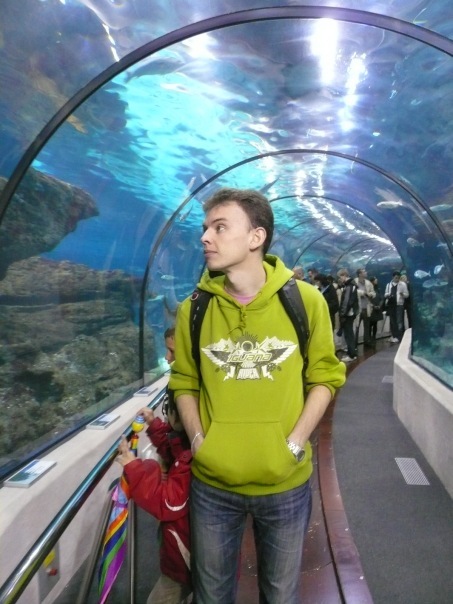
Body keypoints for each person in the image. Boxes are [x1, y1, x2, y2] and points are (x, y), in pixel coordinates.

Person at [170, 187, 346, 603]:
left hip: (284, 483)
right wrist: (199, 441)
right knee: (211, 595)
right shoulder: (194, 309)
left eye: (219, 227)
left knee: (280, 595)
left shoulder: (305, 301)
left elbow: (325, 377)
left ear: (256, 236)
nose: (205, 237)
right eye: (205, 228)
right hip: (213, 485)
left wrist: (294, 443)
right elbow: (184, 381)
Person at [116, 329, 192, 604]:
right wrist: (155, 425)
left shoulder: (195, 454)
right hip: (180, 550)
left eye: (173, 352)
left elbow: (169, 502)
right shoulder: (188, 441)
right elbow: (175, 444)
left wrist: (135, 468)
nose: (167, 358)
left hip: (186, 557)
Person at [337, 268, 359, 362]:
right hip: (351, 312)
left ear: (344, 275)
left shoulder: (349, 286)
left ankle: (351, 354)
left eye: (340, 277)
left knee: (348, 334)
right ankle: (352, 353)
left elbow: (346, 302)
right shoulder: (352, 285)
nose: (340, 279)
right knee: (349, 333)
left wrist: (342, 314)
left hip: (348, 314)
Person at [384, 270, 409, 343]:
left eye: (398, 278)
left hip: (399, 305)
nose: (397, 279)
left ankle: (400, 336)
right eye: (396, 278)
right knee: (392, 321)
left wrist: (402, 294)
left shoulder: (403, 284)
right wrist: (388, 295)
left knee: (399, 321)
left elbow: (407, 295)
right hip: (391, 305)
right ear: (393, 277)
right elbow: (385, 294)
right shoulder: (389, 285)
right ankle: (394, 336)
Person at [354, 268, 376, 347]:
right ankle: (354, 343)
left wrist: (370, 294)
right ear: (360, 274)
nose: (366, 272)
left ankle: (367, 341)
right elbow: (353, 292)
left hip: (366, 308)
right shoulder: (354, 282)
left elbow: (373, 293)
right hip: (357, 308)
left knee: (367, 326)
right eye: (364, 272)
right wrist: (361, 293)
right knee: (356, 326)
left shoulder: (368, 283)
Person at [368, 276, 384, 342]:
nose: (376, 281)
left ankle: (374, 337)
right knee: (369, 324)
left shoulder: (378, 289)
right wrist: (373, 306)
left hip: (377, 309)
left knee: (375, 323)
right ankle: (368, 338)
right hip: (371, 309)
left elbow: (381, 298)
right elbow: (367, 299)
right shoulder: (369, 289)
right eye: (375, 280)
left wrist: (379, 305)